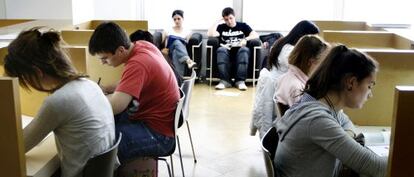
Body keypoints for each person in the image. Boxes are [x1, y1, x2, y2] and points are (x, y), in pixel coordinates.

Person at [3, 27, 115, 177]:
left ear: (37, 73)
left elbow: (19, 146)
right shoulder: (89, 85)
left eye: (25, 79)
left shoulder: (58, 102)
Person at [274, 45, 387, 177]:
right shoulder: (317, 120)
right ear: (351, 83)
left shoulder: (320, 105)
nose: (370, 94)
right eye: (369, 86)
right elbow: (375, 167)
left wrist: (344, 138)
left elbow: (346, 122)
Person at [88, 22, 179, 164]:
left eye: (105, 58)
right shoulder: (142, 45)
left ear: (120, 50)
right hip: (161, 125)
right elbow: (132, 83)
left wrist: (88, 101)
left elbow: (117, 105)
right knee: (106, 127)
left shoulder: (137, 64)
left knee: (102, 142)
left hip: (159, 135)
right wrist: (106, 89)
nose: (103, 63)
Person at [249, 20, 319, 137]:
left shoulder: (282, 42)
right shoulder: (290, 50)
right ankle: (271, 144)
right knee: (274, 119)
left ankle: (271, 141)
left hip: (275, 84)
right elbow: (302, 69)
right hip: (278, 86)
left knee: (271, 119)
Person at [207, 7, 259, 90]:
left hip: (240, 51)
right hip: (226, 51)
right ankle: (225, 81)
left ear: (234, 16)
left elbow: (255, 35)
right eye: (226, 19)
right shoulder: (221, 27)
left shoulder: (242, 26)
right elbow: (210, 34)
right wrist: (218, 21)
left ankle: (240, 81)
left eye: (231, 18)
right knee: (220, 49)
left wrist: (245, 39)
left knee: (244, 50)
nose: (229, 21)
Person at [274, 35, 329, 107]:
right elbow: (305, 116)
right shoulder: (298, 89)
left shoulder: (285, 77)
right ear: (311, 62)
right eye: (321, 63)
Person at [162, 9, 196, 76]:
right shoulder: (168, 30)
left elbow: (187, 44)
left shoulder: (187, 31)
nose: (176, 21)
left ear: (182, 19)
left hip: (179, 52)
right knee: (177, 41)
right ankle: (188, 60)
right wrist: (163, 49)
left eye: (178, 19)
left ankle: (178, 80)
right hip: (169, 50)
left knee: (176, 53)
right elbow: (162, 42)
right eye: (174, 19)